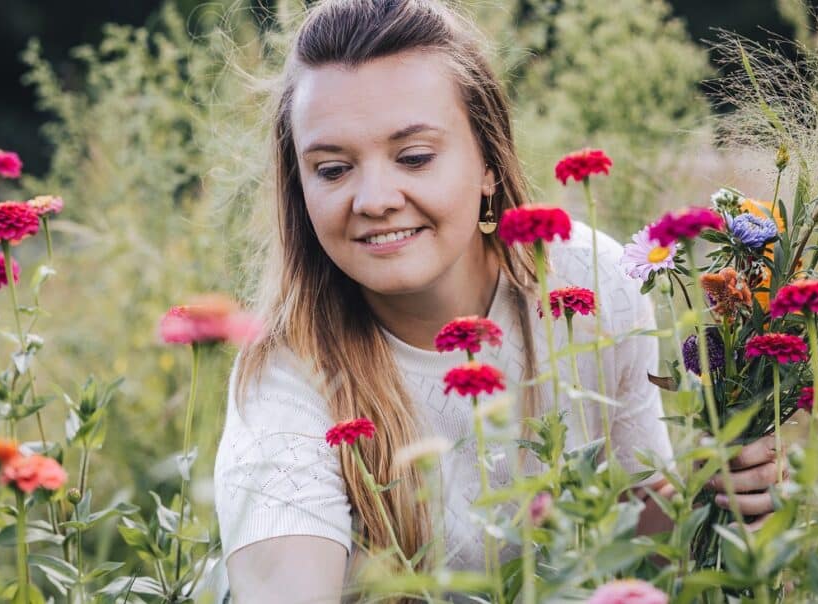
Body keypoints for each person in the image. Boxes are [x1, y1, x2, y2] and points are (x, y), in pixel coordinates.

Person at [212, 0, 783, 602]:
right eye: (332, 169)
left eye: (414, 158)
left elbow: (634, 544)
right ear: (299, 187)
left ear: (488, 160)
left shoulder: (590, 282)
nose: (375, 199)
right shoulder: (284, 377)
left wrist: (708, 496)